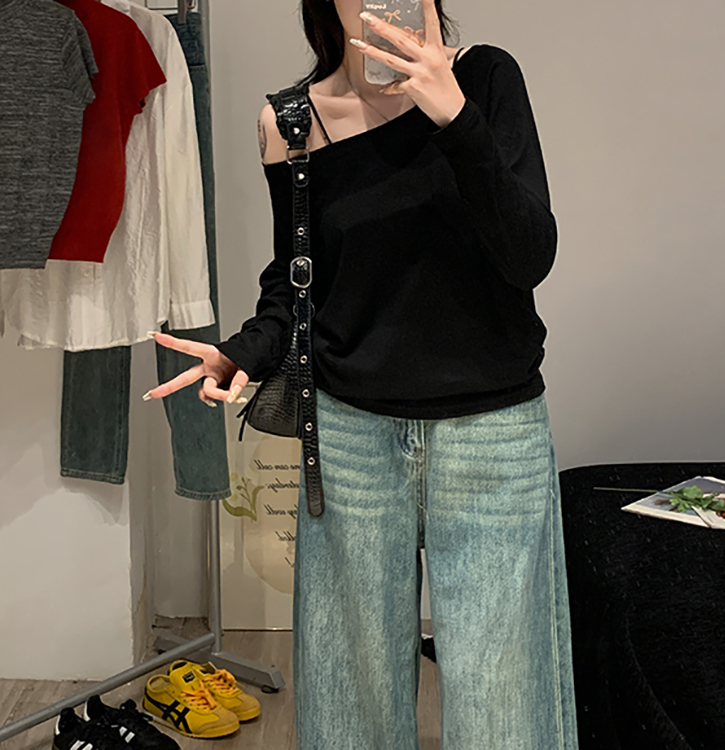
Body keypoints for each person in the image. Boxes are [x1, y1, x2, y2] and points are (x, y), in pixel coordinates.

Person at [144, 0, 579, 747]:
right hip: (352, 440)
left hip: (492, 435)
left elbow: (529, 254)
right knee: (352, 705)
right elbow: (296, 278)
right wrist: (244, 350)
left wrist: (454, 118)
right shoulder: (290, 123)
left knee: (505, 707)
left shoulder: (484, 79)